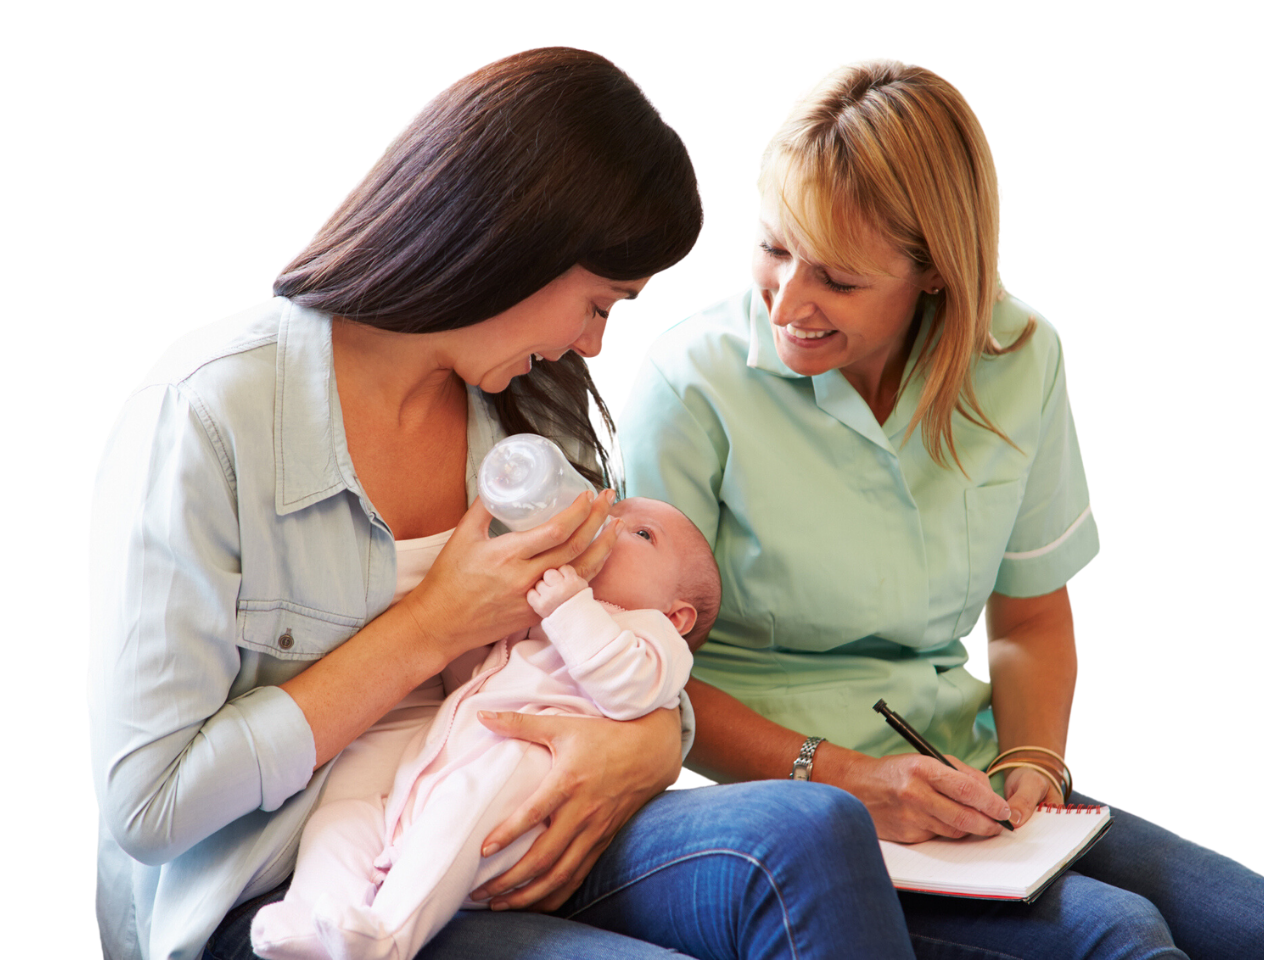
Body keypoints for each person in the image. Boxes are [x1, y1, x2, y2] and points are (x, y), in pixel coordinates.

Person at [89, 47, 917, 960]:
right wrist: (429, 628)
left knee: (816, 830)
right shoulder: (213, 418)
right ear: (514, 244)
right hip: (309, 882)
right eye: (598, 304)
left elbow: (630, 626)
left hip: (508, 809)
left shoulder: (532, 402)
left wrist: (649, 744)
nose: (594, 346)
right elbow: (150, 805)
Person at [619, 59, 1264, 960]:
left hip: (967, 776)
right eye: (773, 247)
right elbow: (636, 673)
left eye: (838, 280)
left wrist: (1033, 765)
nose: (790, 301)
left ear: (933, 273)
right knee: (1120, 939)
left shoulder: (1018, 356)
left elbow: (1030, 615)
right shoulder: (690, 386)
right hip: (772, 800)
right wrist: (847, 777)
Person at [251, 497, 717, 959]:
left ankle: (388, 937)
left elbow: (629, 690)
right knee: (343, 821)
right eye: (612, 515)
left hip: (514, 809)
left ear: (678, 615)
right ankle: (308, 921)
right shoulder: (544, 616)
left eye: (642, 533)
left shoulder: (653, 636)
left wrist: (570, 607)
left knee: (465, 800)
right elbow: (468, 677)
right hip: (431, 784)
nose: (609, 527)